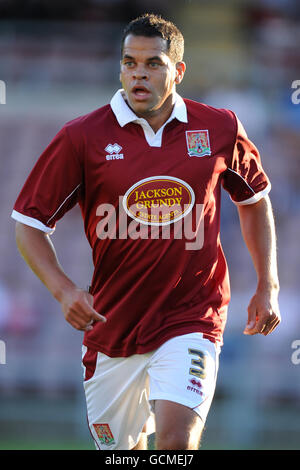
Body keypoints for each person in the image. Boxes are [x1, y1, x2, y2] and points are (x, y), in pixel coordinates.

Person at [11, 13, 281, 450]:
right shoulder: (81, 137)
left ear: (178, 70)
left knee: (176, 443)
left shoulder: (219, 127)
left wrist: (267, 284)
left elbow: (253, 200)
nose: (139, 72)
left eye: (153, 63)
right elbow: (29, 226)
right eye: (129, 62)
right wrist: (63, 291)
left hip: (192, 317)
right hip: (113, 326)